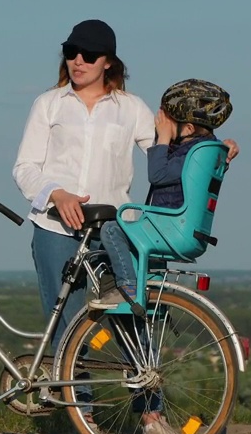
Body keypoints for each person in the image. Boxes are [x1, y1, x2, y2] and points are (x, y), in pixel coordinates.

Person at [12, 21, 238, 434]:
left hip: (114, 231)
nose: (78, 60)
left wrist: (213, 146)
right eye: (71, 51)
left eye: (88, 54)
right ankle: (86, 428)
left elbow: (170, 154)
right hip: (56, 229)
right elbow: (25, 167)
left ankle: (152, 422)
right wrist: (55, 195)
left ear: (109, 62)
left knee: (134, 319)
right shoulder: (48, 105)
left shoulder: (131, 108)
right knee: (67, 328)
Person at [88, 78, 234, 311]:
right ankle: (153, 302)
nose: (158, 125)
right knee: (150, 274)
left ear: (187, 128)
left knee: (112, 229)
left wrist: (164, 138)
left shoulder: (192, 155)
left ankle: (126, 289)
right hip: (178, 227)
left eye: (166, 121)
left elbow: (157, 175)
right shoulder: (207, 151)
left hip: (169, 227)